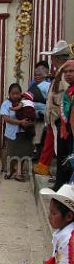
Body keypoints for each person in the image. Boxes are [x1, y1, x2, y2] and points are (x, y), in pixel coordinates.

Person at [34, 42, 72, 176]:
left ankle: (61, 177)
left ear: (57, 58)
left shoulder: (64, 73)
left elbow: (66, 95)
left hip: (59, 116)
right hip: (56, 116)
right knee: (56, 146)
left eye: (53, 58)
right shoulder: (61, 72)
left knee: (59, 148)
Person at [0, 83, 33, 182]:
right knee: (12, 153)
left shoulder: (25, 102)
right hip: (12, 133)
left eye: (17, 93)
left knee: (22, 153)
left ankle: (18, 173)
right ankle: (11, 171)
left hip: (24, 132)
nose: (15, 96)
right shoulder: (6, 104)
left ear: (20, 94)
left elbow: (30, 112)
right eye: (13, 93)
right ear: (9, 94)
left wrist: (29, 122)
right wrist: (20, 122)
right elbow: (6, 118)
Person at [52, 59, 74, 190]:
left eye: (71, 71)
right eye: (65, 72)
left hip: (71, 131)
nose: (68, 74)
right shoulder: (69, 90)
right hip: (66, 130)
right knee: (64, 159)